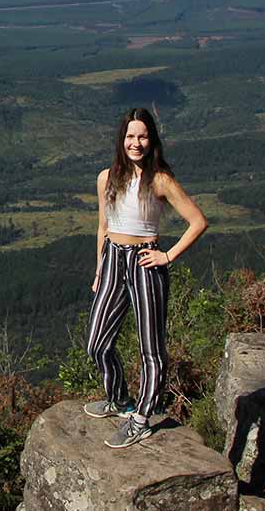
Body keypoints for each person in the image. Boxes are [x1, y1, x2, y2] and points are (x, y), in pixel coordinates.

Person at [83, 106, 207, 448]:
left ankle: (142, 417)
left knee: (150, 347)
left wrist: (167, 256)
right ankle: (119, 399)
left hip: (144, 262)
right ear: (121, 139)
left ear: (151, 140)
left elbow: (198, 221)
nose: (135, 143)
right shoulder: (106, 178)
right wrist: (99, 270)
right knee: (96, 342)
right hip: (112, 259)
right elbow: (103, 227)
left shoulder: (160, 180)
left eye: (142, 136)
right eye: (130, 136)